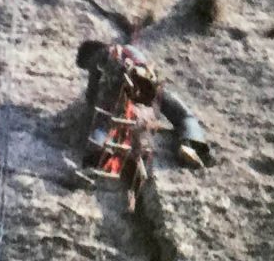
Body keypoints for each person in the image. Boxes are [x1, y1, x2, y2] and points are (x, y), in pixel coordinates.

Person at [76, 39, 211, 169]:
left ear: (89, 53)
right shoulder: (129, 49)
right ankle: (190, 143)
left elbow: (92, 98)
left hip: (119, 89)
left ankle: (96, 154)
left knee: (103, 121)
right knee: (183, 115)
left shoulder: (102, 54)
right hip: (148, 88)